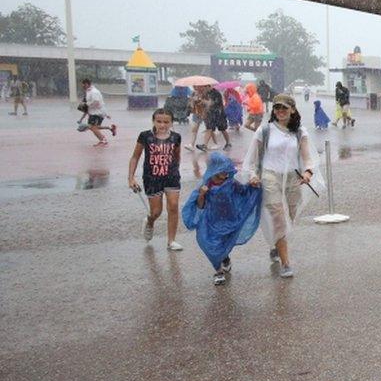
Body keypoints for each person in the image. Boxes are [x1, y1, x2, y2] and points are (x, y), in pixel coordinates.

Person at [242, 94, 325, 278]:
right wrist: (254, 175)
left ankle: (275, 245)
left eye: (284, 108)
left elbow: (306, 156)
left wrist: (308, 172)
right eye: (277, 107)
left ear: (292, 110)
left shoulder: (300, 132)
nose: (280, 111)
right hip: (270, 176)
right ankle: (286, 263)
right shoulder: (264, 131)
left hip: (294, 177)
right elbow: (254, 157)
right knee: (279, 218)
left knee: (291, 216)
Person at [182, 152, 263, 285]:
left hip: (229, 220)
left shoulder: (231, 183)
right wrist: (202, 195)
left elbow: (243, 192)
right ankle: (218, 271)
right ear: (216, 168)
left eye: (227, 170)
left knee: (223, 242)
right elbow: (200, 206)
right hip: (211, 221)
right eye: (223, 170)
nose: (226, 173)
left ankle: (225, 258)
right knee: (209, 244)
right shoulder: (206, 185)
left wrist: (253, 186)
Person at [128, 108, 183, 251]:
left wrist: (175, 170)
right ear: (153, 121)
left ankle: (171, 241)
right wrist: (131, 178)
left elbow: (176, 156)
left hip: (171, 177)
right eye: (159, 121)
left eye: (166, 122)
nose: (162, 125)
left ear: (171, 123)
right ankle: (150, 221)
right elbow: (135, 157)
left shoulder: (176, 137)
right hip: (152, 178)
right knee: (156, 212)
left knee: (173, 206)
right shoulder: (145, 136)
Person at [80, 79, 117, 147]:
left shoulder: (94, 92)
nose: (82, 86)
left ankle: (103, 140)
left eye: (83, 84)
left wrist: (87, 104)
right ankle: (110, 128)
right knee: (94, 127)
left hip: (97, 113)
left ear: (87, 84)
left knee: (92, 127)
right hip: (95, 112)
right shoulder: (89, 91)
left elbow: (96, 102)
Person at [185, 85, 208, 150]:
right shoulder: (193, 93)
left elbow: (208, 103)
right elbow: (191, 103)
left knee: (209, 130)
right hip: (197, 113)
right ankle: (191, 144)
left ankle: (211, 143)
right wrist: (192, 101)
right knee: (194, 129)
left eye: (198, 86)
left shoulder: (206, 93)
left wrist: (200, 100)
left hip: (205, 113)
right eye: (194, 86)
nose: (196, 88)